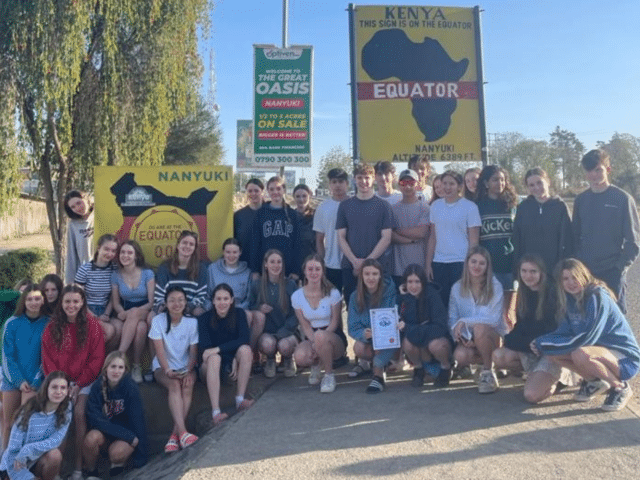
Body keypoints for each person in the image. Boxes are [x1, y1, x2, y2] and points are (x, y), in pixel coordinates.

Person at [534, 258, 640, 411]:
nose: (571, 282)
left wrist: (544, 343)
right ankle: (594, 382)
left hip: (624, 359)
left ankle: (620, 386)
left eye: (575, 277)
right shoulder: (569, 299)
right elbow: (565, 331)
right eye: (565, 279)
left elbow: (587, 337)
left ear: (584, 275)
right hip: (598, 353)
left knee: (580, 352)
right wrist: (541, 342)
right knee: (551, 353)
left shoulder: (597, 297)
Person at [40, 285, 105, 478]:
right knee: (61, 417)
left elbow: (97, 358)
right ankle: (57, 471)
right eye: (67, 301)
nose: (71, 305)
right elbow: (48, 359)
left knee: (78, 414)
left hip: (84, 381)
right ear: (61, 303)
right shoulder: (52, 326)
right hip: (60, 383)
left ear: (82, 302)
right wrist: (63, 385)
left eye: (76, 301)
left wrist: (78, 385)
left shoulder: (92, 325)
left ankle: (78, 467)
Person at [492, 254, 569, 403]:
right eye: (524, 271)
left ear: (542, 273)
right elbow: (520, 328)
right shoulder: (524, 291)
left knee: (531, 395)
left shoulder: (553, 293)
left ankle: (560, 379)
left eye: (533, 271)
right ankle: (537, 375)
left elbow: (552, 330)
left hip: (552, 352)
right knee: (499, 356)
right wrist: (524, 342)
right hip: (533, 347)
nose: (528, 276)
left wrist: (528, 341)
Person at [572, 149, 640, 314]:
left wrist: (619, 268)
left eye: (598, 170)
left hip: (612, 273)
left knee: (615, 322)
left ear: (608, 170)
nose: (593, 175)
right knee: (588, 321)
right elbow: (574, 237)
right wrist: (579, 266)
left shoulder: (623, 199)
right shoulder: (581, 200)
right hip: (586, 273)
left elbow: (633, 241)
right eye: (589, 171)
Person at [449, 246, 506, 394]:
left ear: (487, 266)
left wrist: (465, 322)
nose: (477, 266)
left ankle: (488, 372)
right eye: (473, 261)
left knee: (480, 328)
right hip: (469, 337)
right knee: (460, 356)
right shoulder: (457, 287)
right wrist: (461, 336)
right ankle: (480, 368)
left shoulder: (495, 286)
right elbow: (452, 318)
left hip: (492, 335)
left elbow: (493, 319)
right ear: (467, 263)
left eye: (482, 263)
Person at [149, 286, 199, 452]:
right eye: (172, 300)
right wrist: (168, 370)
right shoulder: (158, 321)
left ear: (185, 302)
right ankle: (183, 432)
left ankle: (174, 436)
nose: (176, 304)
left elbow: (193, 352)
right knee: (174, 385)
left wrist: (189, 370)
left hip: (185, 367)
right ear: (166, 303)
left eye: (180, 300)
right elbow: (160, 351)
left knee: (188, 384)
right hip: (163, 368)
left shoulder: (192, 323)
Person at [83, 352, 148, 478]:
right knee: (91, 439)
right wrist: (123, 434)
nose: (116, 371)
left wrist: (141, 457)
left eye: (120, 367)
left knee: (116, 453)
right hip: (107, 433)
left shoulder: (130, 387)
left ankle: (118, 467)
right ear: (106, 368)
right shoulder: (98, 387)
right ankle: (91, 472)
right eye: (113, 367)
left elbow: (138, 421)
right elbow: (95, 419)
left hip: (125, 436)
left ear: (125, 370)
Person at [337, 163, 393, 306]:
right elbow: (341, 237)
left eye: (367, 177)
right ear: (354, 179)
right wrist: (355, 261)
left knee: (377, 309)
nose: (363, 181)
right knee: (353, 308)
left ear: (373, 179)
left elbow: (386, 238)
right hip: (351, 267)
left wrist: (367, 263)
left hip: (377, 268)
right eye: (360, 177)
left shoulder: (384, 206)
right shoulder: (345, 206)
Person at [198, 284, 253, 427]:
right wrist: (227, 355)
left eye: (225, 299)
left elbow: (244, 339)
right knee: (214, 358)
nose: (222, 302)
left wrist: (233, 358)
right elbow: (205, 350)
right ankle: (216, 412)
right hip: (208, 367)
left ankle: (240, 399)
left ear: (231, 300)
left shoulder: (240, 314)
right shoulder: (204, 319)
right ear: (213, 301)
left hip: (228, 361)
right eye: (219, 299)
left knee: (245, 350)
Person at [1, 286, 49, 450]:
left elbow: (47, 357)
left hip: (35, 380)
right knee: (8, 424)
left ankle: (20, 464)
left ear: (43, 300)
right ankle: (4, 464)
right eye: (29, 299)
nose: (33, 302)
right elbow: (8, 356)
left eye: (37, 298)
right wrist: (18, 380)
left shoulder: (48, 323)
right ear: (24, 301)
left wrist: (36, 380)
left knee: (23, 424)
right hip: (13, 380)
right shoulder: (12, 323)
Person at [0, 371, 72, 480]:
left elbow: (56, 440)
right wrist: (23, 475)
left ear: (67, 391)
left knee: (55, 455)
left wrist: (28, 450)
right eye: (54, 387)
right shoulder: (29, 410)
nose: (59, 391)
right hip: (16, 462)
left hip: (36, 459)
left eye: (63, 388)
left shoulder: (67, 408)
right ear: (46, 389)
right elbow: (13, 449)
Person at [292, 255, 346, 394]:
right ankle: (316, 365)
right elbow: (304, 325)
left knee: (321, 336)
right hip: (311, 335)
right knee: (299, 356)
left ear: (322, 271)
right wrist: (314, 342)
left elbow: (335, 321)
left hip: (333, 336)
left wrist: (319, 340)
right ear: (304, 271)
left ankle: (328, 375)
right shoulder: (297, 296)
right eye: (310, 269)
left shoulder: (333, 293)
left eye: (317, 269)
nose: (313, 272)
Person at [427, 170, 481, 306]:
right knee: (441, 304)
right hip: (439, 263)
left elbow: (474, 241)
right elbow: (432, 237)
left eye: (451, 183)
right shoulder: (435, 206)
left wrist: (470, 265)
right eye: (444, 183)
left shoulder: (470, 207)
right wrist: (428, 264)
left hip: (461, 263)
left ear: (459, 186)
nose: (447, 187)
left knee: (461, 304)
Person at [476, 165, 518, 327]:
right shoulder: (478, 206)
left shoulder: (513, 204)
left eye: (502, 179)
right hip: (489, 267)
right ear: (486, 183)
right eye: (495, 180)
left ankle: (508, 348)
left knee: (508, 314)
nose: (499, 183)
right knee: (492, 313)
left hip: (510, 265)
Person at [397, 265, 452, 388]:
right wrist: (407, 299)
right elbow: (404, 326)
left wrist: (412, 328)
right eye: (410, 282)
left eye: (417, 281)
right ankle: (419, 369)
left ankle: (446, 368)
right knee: (407, 343)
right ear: (405, 283)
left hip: (435, 339)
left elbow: (440, 327)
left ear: (423, 282)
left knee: (436, 345)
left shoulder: (433, 295)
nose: (413, 286)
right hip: (419, 340)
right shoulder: (403, 298)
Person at [347, 259, 397, 394]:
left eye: (375, 274)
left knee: (380, 343)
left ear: (380, 275)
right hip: (369, 339)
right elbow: (352, 327)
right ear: (361, 276)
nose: (371, 278)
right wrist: (363, 333)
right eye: (367, 274)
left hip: (389, 339)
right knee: (358, 346)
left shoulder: (391, 293)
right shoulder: (354, 297)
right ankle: (379, 367)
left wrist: (381, 331)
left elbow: (394, 319)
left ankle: (378, 376)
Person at [248, 250, 299, 379]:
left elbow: (297, 313)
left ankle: (287, 359)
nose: (276, 265)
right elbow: (249, 306)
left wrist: (284, 332)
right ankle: (269, 360)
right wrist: (258, 308)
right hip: (267, 332)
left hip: (288, 331)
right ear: (265, 264)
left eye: (279, 262)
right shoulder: (257, 285)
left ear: (283, 265)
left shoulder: (290, 285)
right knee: (268, 344)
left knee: (284, 345)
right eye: (272, 262)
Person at [513, 167, 573, 275]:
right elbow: (517, 240)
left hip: (554, 270)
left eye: (539, 183)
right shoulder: (523, 208)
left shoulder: (560, 206)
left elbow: (568, 240)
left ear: (548, 182)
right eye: (531, 185)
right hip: (530, 271)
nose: (536, 187)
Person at [111, 240, 154, 383]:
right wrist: (121, 311)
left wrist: (135, 312)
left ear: (136, 256)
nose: (125, 255)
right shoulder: (116, 275)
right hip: (125, 311)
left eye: (130, 252)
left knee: (136, 313)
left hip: (145, 309)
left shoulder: (147, 273)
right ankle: (136, 366)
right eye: (123, 252)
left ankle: (119, 355)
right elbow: (116, 302)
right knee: (141, 328)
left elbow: (151, 301)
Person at [74, 233, 122, 351]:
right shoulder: (85, 269)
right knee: (108, 330)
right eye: (106, 249)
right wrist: (91, 314)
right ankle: (93, 359)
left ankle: (107, 359)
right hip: (86, 310)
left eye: (113, 251)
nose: (109, 254)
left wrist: (106, 313)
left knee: (119, 328)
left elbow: (113, 296)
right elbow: (78, 297)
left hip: (106, 310)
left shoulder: (114, 269)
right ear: (98, 248)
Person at [249, 176, 301, 278]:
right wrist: (255, 270)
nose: (275, 192)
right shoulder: (261, 213)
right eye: (271, 189)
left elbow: (297, 243)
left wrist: (296, 270)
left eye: (278, 188)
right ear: (267, 191)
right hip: (265, 268)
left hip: (287, 268)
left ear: (284, 190)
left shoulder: (292, 214)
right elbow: (255, 243)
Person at [154, 230, 210, 317]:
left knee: (200, 312)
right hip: (168, 307)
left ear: (195, 248)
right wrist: (171, 307)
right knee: (151, 317)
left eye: (191, 244)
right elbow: (159, 295)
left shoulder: (201, 268)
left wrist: (185, 307)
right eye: (184, 243)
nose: (187, 246)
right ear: (178, 245)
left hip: (191, 308)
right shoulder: (164, 267)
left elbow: (201, 295)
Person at [391, 169, 430, 287]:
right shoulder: (393, 209)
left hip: (420, 267)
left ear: (417, 184)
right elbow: (390, 236)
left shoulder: (425, 208)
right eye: (404, 183)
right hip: (398, 269)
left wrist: (398, 230)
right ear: (399, 185)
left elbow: (421, 232)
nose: (407, 186)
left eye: (411, 183)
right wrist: (411, 240)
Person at [313, 167, 350, 294]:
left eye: (341, 181)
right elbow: (319, 239)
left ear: (347, 184)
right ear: (329, 185)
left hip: (352, 264)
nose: (337, 185)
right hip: (331, 265)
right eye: (334, 182)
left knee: (353, 303)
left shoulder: (355, 204)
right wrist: (322, 263)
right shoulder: (323, 207)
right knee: (332, 305)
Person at [64, 190, 95, 284]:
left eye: (79, 203)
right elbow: (71, 255)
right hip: (85, 278)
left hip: (106, 274)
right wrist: (70, 283)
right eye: (73, 207)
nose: (77, 208)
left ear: (86, 199)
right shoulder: (73, 225)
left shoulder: (100, 216)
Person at [234, 178, 265, 265]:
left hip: (266, 265)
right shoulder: (238, 215)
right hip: (243, 263)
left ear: (262, 192)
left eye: (256, 191)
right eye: (250, 191)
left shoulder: (270, 213)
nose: (253, 194)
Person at [293, 184, 316, 261]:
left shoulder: (317, 215)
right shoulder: (289, 216)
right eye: (298, 196)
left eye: (304, 196)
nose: (301, 199)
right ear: (294, 197)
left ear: (309, 196)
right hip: (294, 260)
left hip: (312, 260)